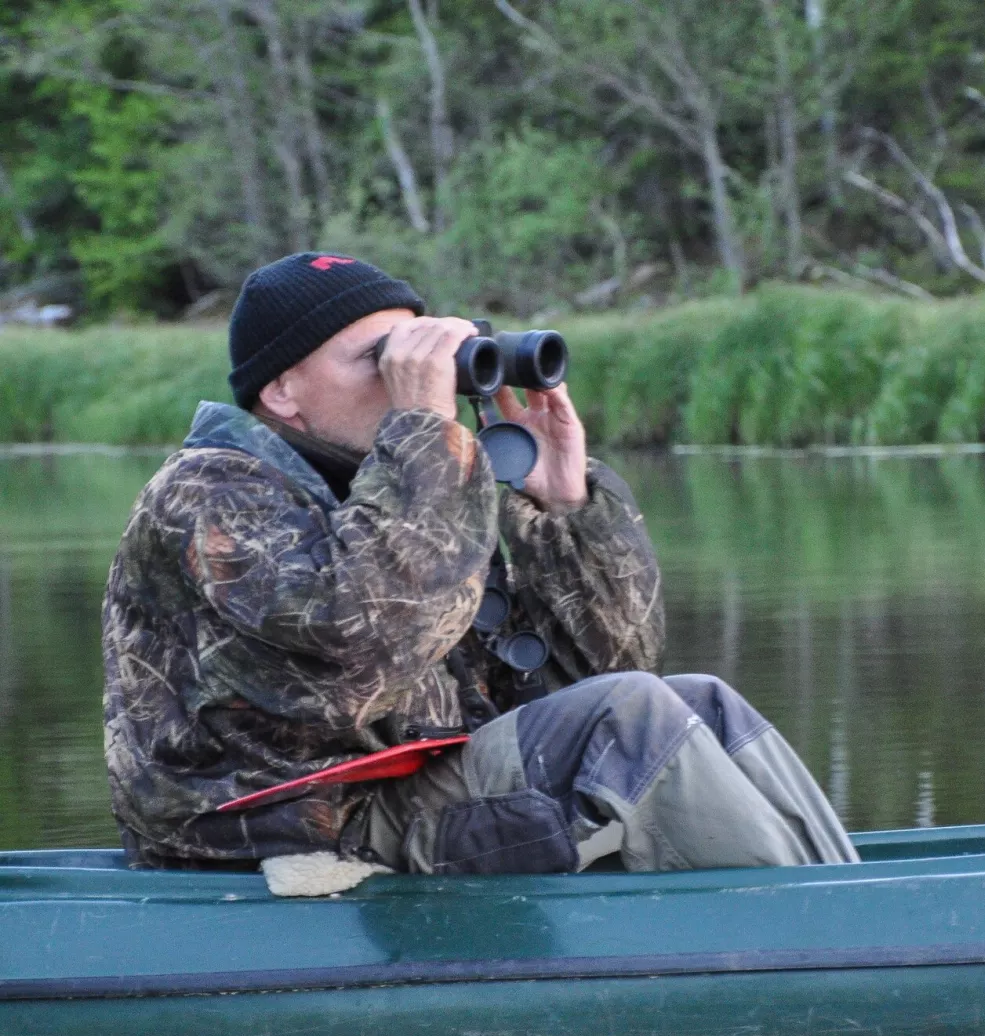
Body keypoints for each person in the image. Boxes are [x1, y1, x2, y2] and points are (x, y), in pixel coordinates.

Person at [102, 252, 857, 883]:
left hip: (407, 795)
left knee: (697, 703)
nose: (410, 378)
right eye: (378, 360)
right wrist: (425, 431)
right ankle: (816, 941)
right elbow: (367, 641)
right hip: (285, 829)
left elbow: (608, 671)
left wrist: (563, 512)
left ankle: (845, 903)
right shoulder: (211, 490)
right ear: (280, 390)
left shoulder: (399, 489)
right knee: (633, 717)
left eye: (415, 355)